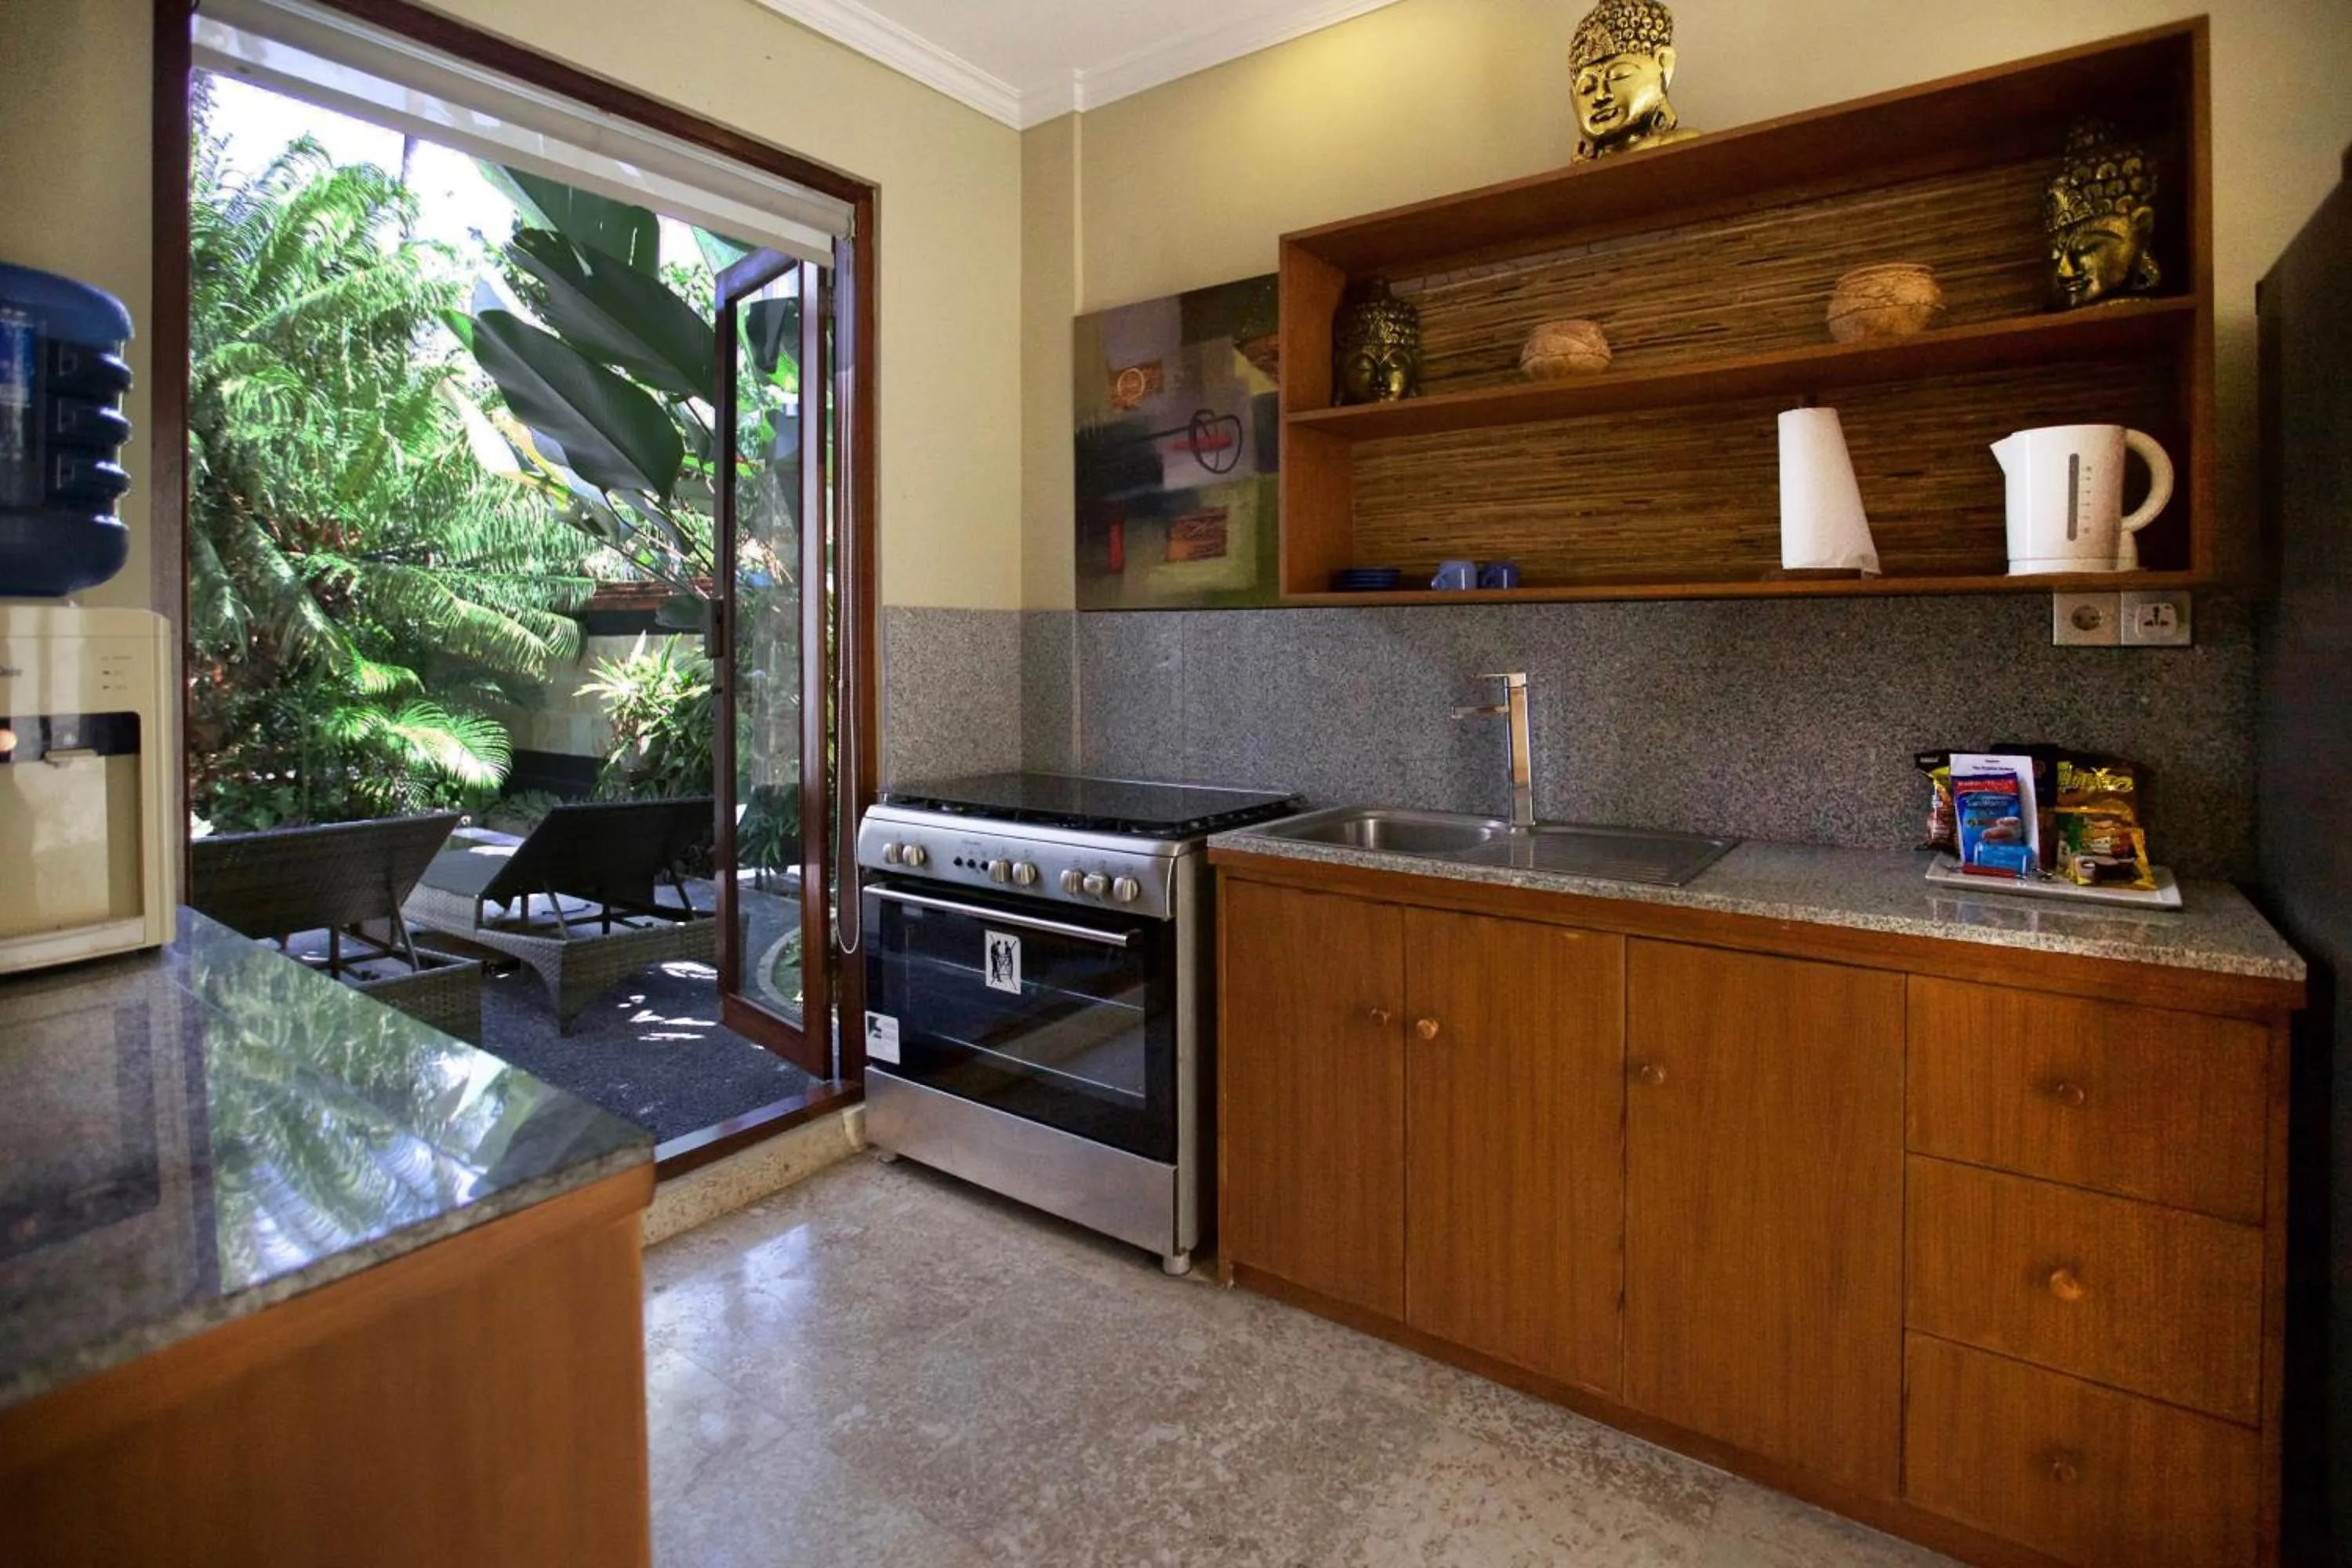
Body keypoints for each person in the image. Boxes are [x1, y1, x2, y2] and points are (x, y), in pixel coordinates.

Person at [1569, 0, 1700, 162]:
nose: (1601, 95)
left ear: (1663, 65)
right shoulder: (1586, 169)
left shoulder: (1683, 144)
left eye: (1619, 76)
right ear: (1573, 101)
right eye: (1587, 88)